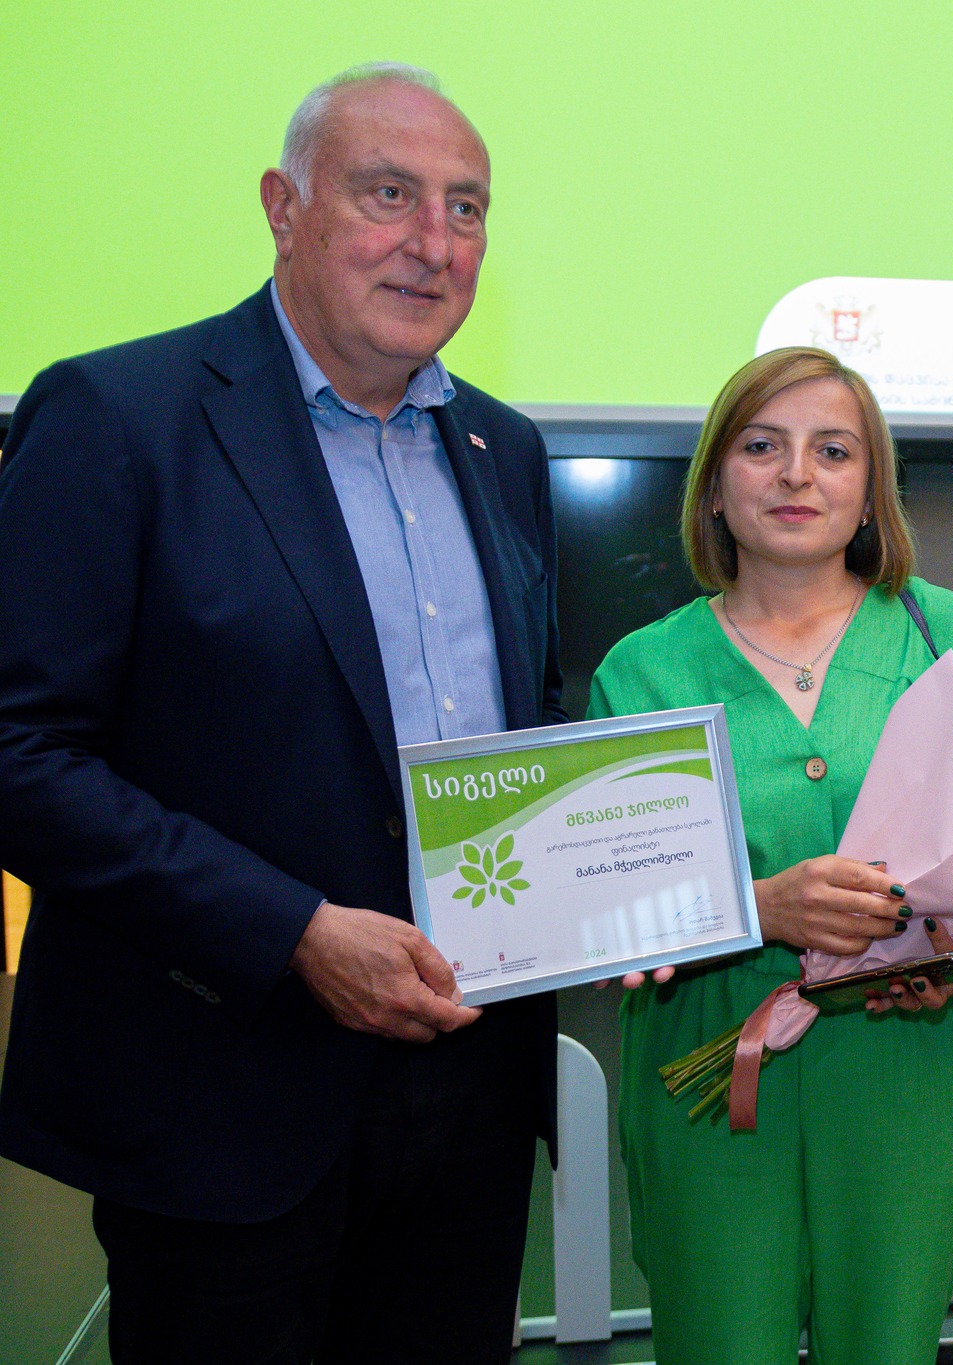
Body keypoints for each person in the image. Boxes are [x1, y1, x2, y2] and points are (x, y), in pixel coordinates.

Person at [0, 64, 563, 1361]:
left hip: (470, 1094)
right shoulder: (119, 417)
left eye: (467, 207)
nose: (434, 242)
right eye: (389, 195)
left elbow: (522, 724)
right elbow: (20, 751)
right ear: (283, 206)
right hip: (219, 1091)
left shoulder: (507, 449)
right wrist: (294, 932)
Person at [588, 346, 953, 1364]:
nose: (796, 474)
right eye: (761, 447)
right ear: (713, 485)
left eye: (833, 451)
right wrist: (758, 906)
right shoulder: (641, 670)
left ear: (871, 491)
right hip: (709, 1090)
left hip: (910, 1073)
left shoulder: (940, 633)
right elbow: (608, 908)